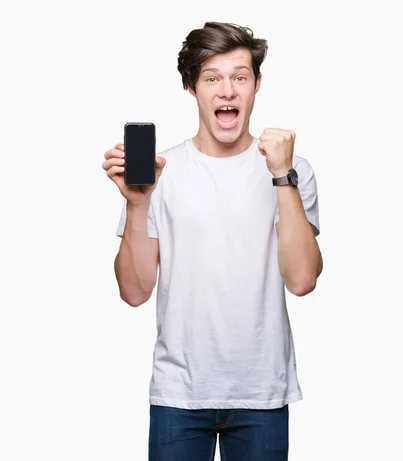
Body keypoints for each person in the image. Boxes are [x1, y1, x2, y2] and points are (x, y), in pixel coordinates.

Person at [101, 22, 323, 461]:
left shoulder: (292, 170)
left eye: (240, 77)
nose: (227, 91)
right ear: (192, 87)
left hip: (261, 394)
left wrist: (282, 176)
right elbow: (134, 292)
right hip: (178, 397)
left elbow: (301, 280)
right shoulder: (162, 173)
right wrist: (136, 205)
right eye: (212, 78)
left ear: (257, 85)